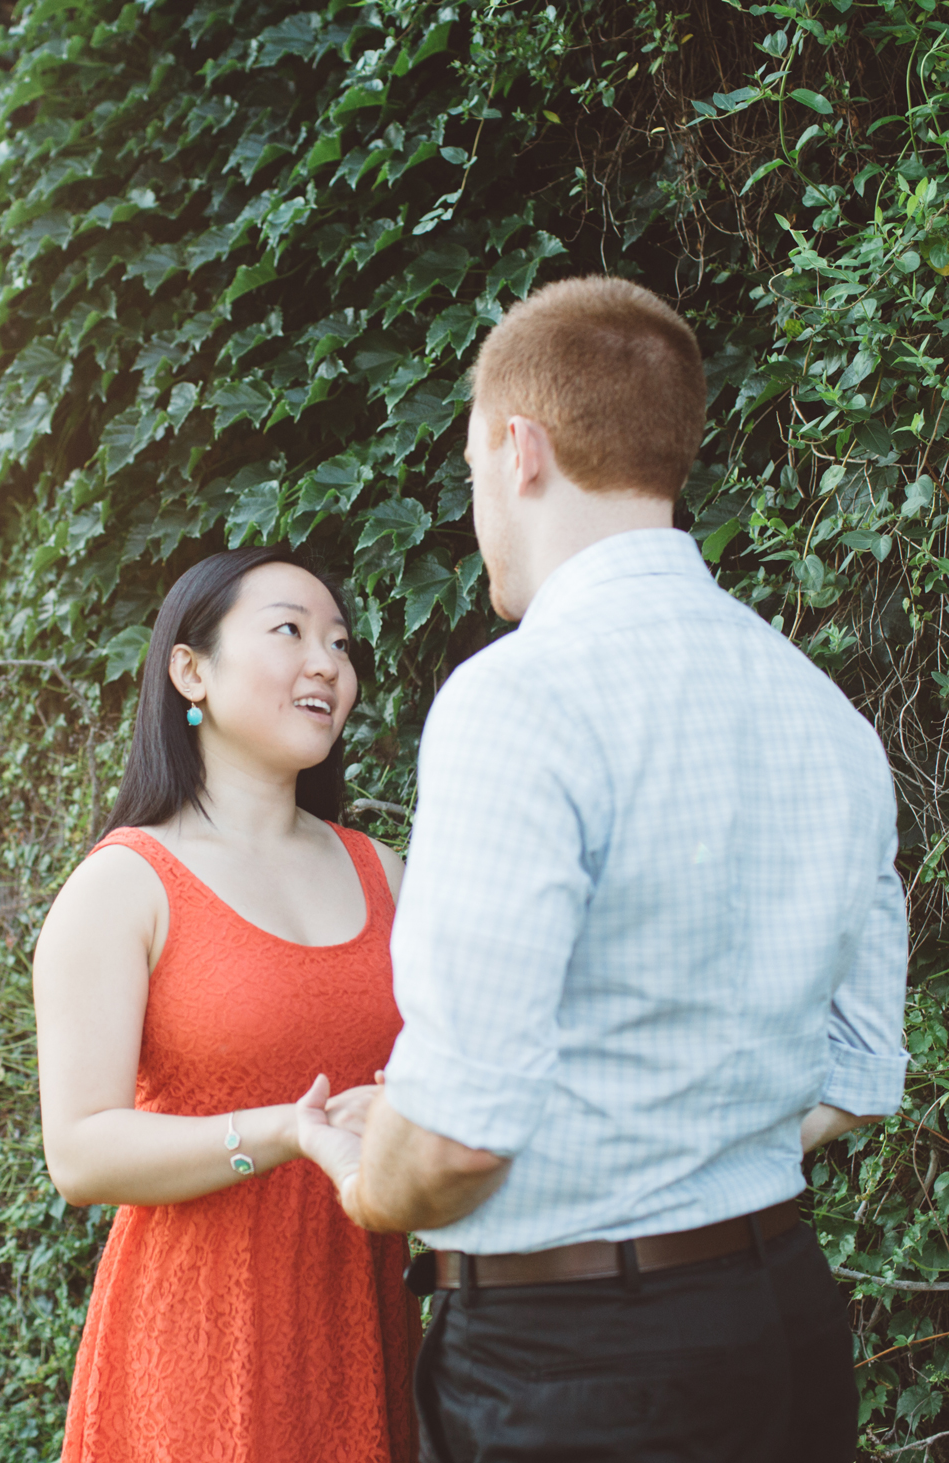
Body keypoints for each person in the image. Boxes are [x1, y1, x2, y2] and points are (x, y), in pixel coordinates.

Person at [293, 276, 910, 1462]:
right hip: (782, 1320)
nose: (477, 509)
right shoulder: (824, 712)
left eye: (472, 471)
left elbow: (462, 1139)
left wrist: (373, 1171)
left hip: (573, 1365)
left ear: (520, 451)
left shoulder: (518, 696)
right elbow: (856, 1072)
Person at [33, 545, 421, 1463]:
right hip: (198, 1332)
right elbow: (81, 1151)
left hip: (364, 1313)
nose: (328, 661)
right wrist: (286, 1131)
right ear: (190, 669)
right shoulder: (125, 884)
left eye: (340, 642)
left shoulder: (387, 875)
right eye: (289, 630)